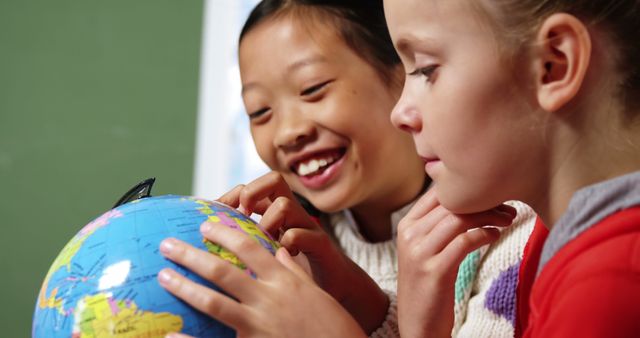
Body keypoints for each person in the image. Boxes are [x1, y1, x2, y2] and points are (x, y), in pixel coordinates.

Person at [158, 0, 537, 337]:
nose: (288, 132)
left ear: (402, 75)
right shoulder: (292, 260)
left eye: (313, 88)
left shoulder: (503, 225)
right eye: (259, 112)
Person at [383, 0, 640, 337]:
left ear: (553, 65)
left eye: (425, 69)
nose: (399, 114)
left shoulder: (604, 292)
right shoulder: (556, 233)